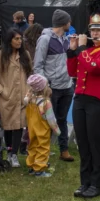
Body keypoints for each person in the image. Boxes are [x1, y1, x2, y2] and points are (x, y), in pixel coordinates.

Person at [67, 0, 100, 199]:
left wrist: (80, 50)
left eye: (99, 30)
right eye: (92, 30)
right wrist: (72, 51)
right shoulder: (87, 51)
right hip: (80, 100)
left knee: (96, 143)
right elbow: (73, 71)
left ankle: (97, 184)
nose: (94, 34)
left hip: (98, 102)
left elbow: (93, 68)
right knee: (83, 143)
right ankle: (85, 181)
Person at [31, 9, 75, 162]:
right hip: (52, 88)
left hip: (67, 86)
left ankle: (64, 150)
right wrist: (45, 85)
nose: (70, 23)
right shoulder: (45, 39)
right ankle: (44, 151)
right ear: (64, 23)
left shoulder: (66, 39)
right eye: (68, 21)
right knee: (47, 120)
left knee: (62, 120)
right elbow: (37, 65)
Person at [0, 29, 31, 168]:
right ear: (9, 40)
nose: (19, 41)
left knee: (19, 126)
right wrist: (1, 91)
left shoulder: (25, 55)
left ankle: (14, 154)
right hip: (7, 96)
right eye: (16, 38)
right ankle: (9, 150)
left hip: (23, 96)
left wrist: (29, 92)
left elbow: (31, 74)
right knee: (8, 126)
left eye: (20, 38)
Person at [24, 74, 59, 177]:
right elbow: (51, 119)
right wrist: (57, 130)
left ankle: (31, 165)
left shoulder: (30, 100)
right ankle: (39, 169)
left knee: (32, 146)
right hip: (42, 130)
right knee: (43, 148)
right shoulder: (45, 102)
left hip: (32, 128)